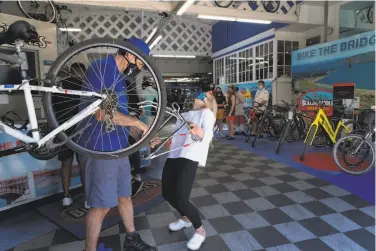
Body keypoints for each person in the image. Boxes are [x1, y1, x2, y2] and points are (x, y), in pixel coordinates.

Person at [78, 37, 156, 251]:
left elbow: (118, 117)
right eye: (141, 63)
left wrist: (142, 133)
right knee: (101, 205)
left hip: (119, 147)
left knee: (125, 195)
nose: (140, 69)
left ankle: (131, 238)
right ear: (130, 55)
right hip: (100, 147)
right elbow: (100, 113)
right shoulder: (102, 67)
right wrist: (137, 123)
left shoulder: (120, 78)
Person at [150, 91, 216, 251]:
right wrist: (161, 140)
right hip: (174, 155)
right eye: (199, 94)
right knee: (166, 193)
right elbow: (174, 135)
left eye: (204, 96)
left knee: (181, 197)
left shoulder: (206, 114)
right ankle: (185, 218)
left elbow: (208, 134)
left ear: (208, 101)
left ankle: (200, 230)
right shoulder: (184, 114)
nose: (199, 96)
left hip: (190, 156)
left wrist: (200, 132)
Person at [53, 62, 88, 208]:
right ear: (82, 72)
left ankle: (66, 196)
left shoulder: (59, 86)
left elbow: (52, 109)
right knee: (83, 164)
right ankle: (87, 198)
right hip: (81, 130)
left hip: (62, 129)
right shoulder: (85, 86)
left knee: (65, 164)